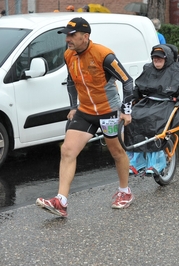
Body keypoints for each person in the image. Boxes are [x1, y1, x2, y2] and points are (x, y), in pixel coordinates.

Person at [36, 17, 135, 217]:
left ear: (85, 36)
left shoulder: (104, 55)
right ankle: (61, 201)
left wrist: (126, 110)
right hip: (86, 111)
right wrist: (74, 106)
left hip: (108, 112)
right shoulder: (69, 55)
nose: (68, 40)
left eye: (72, 36)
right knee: (67, 150)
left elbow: (128, 81)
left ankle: (125, 191)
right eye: (67, 36)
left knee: (116, 152)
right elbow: (71, 81)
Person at [125, 44, 179, 174]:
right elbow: (139, 87)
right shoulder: (149, 69)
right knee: (132, 118)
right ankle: (136, 161)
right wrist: (130, 98)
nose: (157, 60)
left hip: (170, 103)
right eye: (154, 58)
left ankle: (156, 162)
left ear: (167, 58)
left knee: (152, 121)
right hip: (149, 102)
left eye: (160, 58)